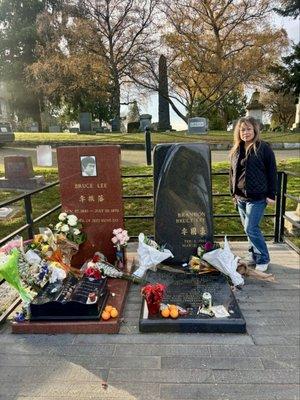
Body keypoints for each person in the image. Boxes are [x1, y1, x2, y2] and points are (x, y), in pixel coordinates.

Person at [229, 117, 277, 272]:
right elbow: (232, 173)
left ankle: (263, 258)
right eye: (242, 129)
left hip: (258, 197)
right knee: (247, 228)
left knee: (251, 228)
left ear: (255, 130)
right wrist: (233, 193)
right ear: (238, 132)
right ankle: (254, 254)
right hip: (240, 197)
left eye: (248, 129)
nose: (245, 132)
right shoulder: (237, 149)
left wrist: (272, 194)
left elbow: (272, 172)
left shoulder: (263, 148)